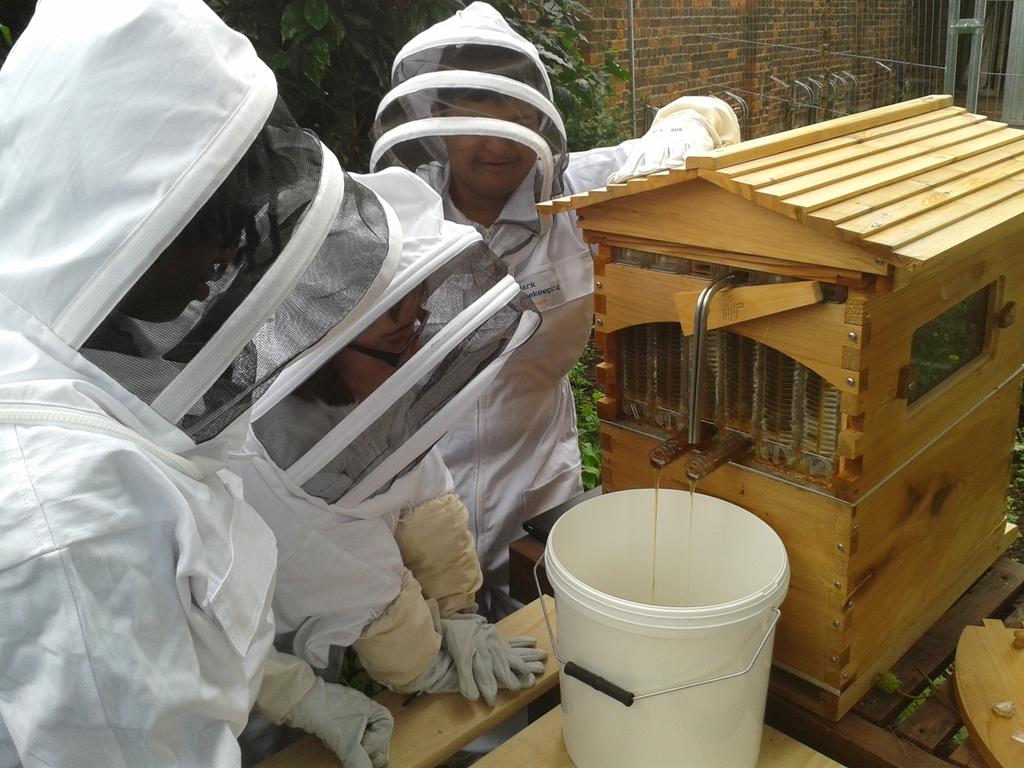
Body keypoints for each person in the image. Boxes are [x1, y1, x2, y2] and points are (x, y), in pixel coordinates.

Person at [0, 2, 398, 766]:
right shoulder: (77, 519)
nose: (227, 255)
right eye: (207, 223)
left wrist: (293, 693)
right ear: (112, 217)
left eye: (237, 221)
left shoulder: (71, 363)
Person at [370, 1, 742, 617]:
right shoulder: (391, 215)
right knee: (432, 646)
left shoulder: (581, 198)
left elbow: (677, 144)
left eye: (517, 117)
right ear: (436, 118)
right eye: (477, 117)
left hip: (538, 473)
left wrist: (702, 116)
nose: (499, 141)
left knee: (544, 630)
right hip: (421, 487)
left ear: (540, 120)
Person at [229, 168, 545, 726]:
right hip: (239, 680)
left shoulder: (362, 400)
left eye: (420, 323)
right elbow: (361, 591)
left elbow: (424, 501)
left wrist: (459, 609)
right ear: (315, 345)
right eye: (399, 339)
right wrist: (424, 665)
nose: (416, 356)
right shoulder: (269, 467)